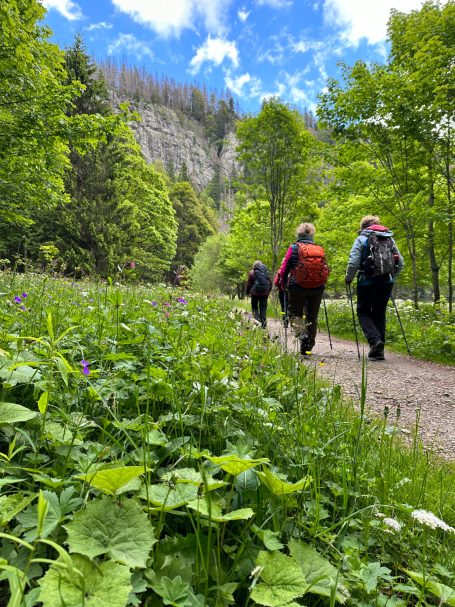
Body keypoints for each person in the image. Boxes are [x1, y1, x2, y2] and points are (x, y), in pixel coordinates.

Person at [345, 215, 404, 361]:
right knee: (379, 312)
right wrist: (392, 277)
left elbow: (353, 262)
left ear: (363, 227)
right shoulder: (389, 238)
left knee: (363, 312)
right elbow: (400, 262)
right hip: (386, 282)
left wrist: (349, 278)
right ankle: (378, 351)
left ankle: (375, 341)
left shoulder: (361, 239)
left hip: (366, 281)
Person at [278, 223, 329, 355]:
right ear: (312, 234)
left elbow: (284, 268)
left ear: (298, 234)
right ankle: (308, 345)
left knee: (294, 314)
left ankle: (303, 336)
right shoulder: (319, 249)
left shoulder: (294, 247)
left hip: (297, 286)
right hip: (317, 287)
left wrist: (283, 283)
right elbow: (325, 268)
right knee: (312, 316)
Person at [246, 260, 272, 328]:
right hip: (264, 293)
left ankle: (257, 321)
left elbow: (249, 284)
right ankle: (263, 324)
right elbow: (270, 283)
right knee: (263, 308)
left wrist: (247, 292)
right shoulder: (265, 272)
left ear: (254, 266)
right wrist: (269, 291)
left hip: (255, 293)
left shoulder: (252, 272)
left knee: (254, 307)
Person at [274, 258, 288, 327]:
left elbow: (276, 282)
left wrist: (278, 287)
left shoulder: (280, 270)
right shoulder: (293, 269)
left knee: (283, 306)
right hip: (291, 291)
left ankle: (285, 321)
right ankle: (292, 320)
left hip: (282, 291)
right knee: (290, 306)